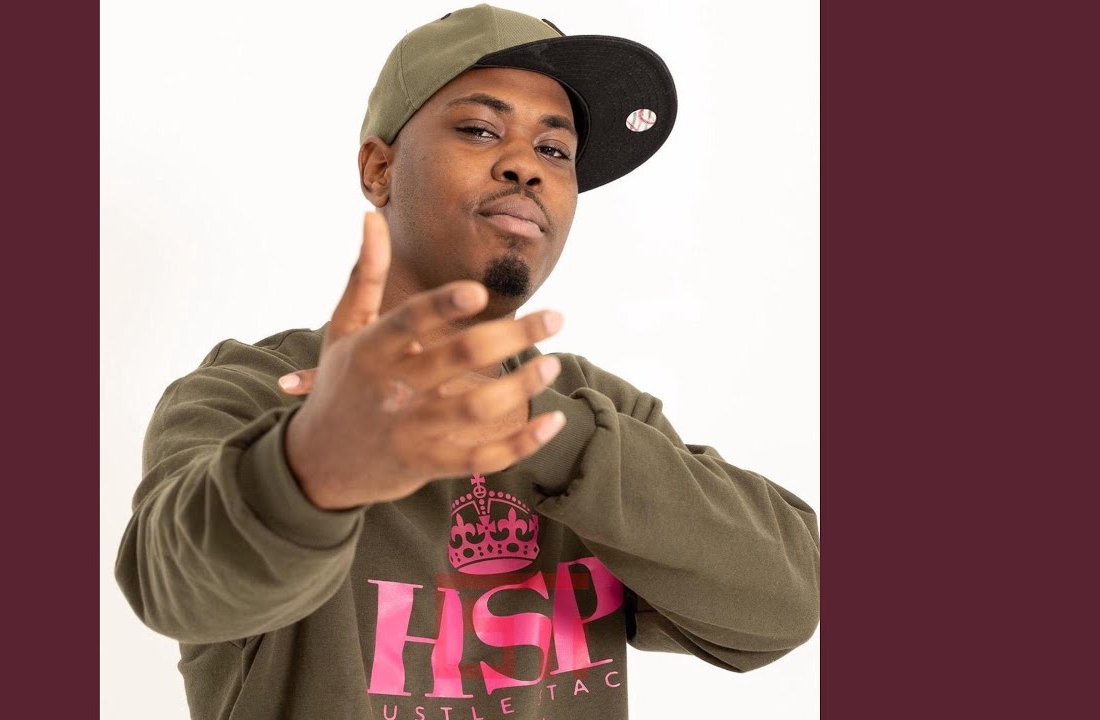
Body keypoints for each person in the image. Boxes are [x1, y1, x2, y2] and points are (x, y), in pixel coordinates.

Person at [114, 4, 820, 719]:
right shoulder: (250, 394)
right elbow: (177, 590)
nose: (525, 166)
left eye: (556, 150)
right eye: (481, 129)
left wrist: (540, 430)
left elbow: (784, 605)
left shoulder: (597, 412)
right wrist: (309, 470)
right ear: (380, 168)